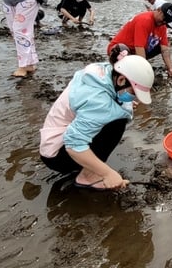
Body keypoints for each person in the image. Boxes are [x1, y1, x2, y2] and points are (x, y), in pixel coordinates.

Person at [39, 55, 155, 190]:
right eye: (133, 93)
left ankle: (89, 168)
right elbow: (73, 144)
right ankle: (87, 177)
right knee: (117, 123)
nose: (134, 97)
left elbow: (105, 101)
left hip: (54, 138)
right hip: (57, 155)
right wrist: (108, 173)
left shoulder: (102, 72)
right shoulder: (98, 102)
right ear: (121, 79)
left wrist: (125, 101)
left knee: (117, 115)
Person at [106, 3, 172, 78]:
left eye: (167, 21)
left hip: (135, 52)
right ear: (159, 10)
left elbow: (165, 49)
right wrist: (145, 71)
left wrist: (170, 68)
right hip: (120, 50)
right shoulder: (145, 20)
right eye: (164, 18)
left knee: (160, 47)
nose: (164, 22)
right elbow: (139, 48)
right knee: (126, 54)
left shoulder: (162, 26)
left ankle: (136, 65)